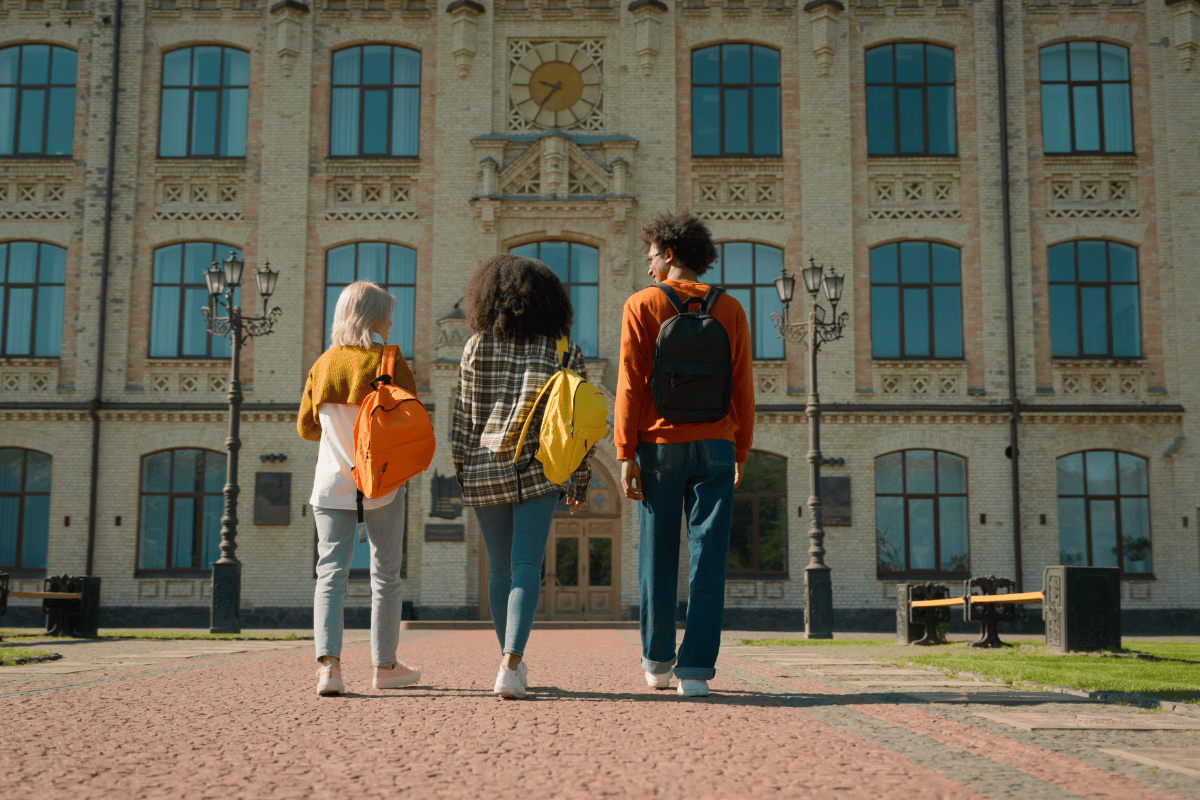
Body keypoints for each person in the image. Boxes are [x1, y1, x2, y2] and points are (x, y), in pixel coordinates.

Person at [616, 210, 754, 698]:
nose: (650, 266)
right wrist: (740, 447)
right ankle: (695, 673)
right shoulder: (732, 309)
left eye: (652, 256)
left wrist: (624, 451)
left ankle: (657, 663)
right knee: (709, 556)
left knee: (656, 555)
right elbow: (742, 385)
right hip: (716, 443)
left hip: (659, 445)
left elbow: (631, 383)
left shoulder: (643, 304)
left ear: (669, 254)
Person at [451, 254, 592, 699]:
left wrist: (462, 469)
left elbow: (462, 417)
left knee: (499, 568)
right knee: (527, 565)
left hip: (485, 466)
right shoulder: (564, 349)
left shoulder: (475, 346)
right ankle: (511, 664)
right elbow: (578, 426)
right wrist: (579, 479)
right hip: (540, 468)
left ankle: (508, 663)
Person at [298, 281, 422, 697]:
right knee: (385, 574)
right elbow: (410, 418)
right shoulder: (390, 359)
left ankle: (328, 669)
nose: (391, 319)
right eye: (386, 311)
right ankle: (384, 665)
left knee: (329, 574)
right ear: (372, 316)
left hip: (332, 482)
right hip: (383, 481)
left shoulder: (324, 363)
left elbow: (306, 427)